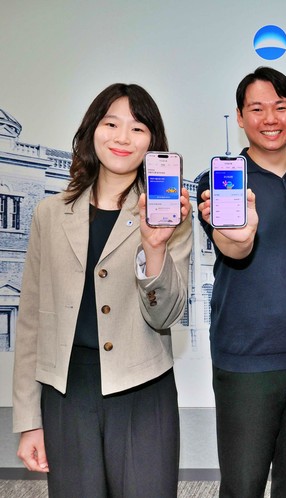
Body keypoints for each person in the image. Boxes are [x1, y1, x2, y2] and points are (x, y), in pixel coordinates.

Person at [13, 83, 192, 497]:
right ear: (93, 129)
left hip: (143, 389)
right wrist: (29, 420)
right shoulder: (50, 213)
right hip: (67, 391)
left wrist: (154, 247)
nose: (122, 137)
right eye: (111, 124)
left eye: (138, 128)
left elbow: (166, 314)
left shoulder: (167, 216)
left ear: (152, 142)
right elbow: (31, 322)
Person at [196, 67, 286, 497]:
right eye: (257, 109)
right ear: (241, 118)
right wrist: (240, 237)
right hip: (246, 361)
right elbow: (233, 246)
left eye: (280, 107)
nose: (270, 118)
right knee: (243, 486)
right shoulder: (222, 180)